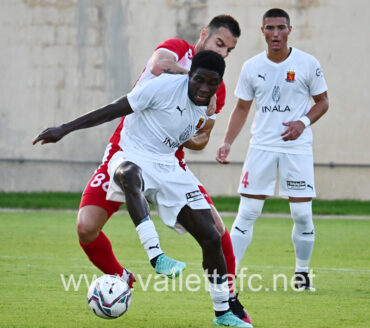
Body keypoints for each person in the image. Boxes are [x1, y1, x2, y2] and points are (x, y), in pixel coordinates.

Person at [33, 14, 251, 323]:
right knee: (86, 227)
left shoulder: (217, 89)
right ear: (204, 35)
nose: (223, 53)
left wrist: (185, 128)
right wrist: (195, 77)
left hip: (169, 162)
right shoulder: (179, 54)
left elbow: (200, 139)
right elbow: (158, 64)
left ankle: (229, 304)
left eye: (229, 50)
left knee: (215, 231)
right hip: (129, 150)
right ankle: (124, 276)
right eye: (219, 43)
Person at [216, 8, 329, 291]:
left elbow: (323, 101)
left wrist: (303, 123)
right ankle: (231, 275)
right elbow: (242, 108)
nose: (275, 33)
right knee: (248, 211)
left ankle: (301, 275)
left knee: (302, 215)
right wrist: (227, 142)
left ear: (289, 30)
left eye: (281, 28)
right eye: (270, 28)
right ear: (263, 31)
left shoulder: (307, 63)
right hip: (262, 147)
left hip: (297, 148)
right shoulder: (252, 67)